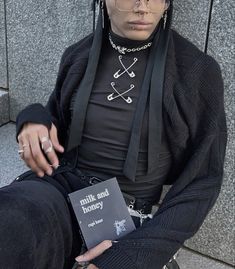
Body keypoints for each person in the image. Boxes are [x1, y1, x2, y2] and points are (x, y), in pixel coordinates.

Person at [0, 0, 227, 269]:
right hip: (62, 190)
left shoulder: (196, 71)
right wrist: (32, 118)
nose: (142, 6)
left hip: (127, 214)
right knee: (10, 223)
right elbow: (55, 120)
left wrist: (132, 255)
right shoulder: (78, 55)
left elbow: (203, 181)